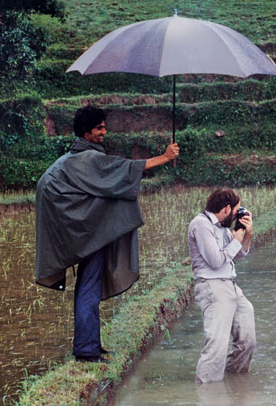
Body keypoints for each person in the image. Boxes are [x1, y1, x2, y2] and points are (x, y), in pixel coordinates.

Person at [35, 105, 179, 363]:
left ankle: (89, 344)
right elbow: (124, 170)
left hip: (83, 231)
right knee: (88, 288)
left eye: (104, 127)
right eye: (99, 128)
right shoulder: (88, 159)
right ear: (86, 132)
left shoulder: (77, 158)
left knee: (87, 287)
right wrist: (165, 157)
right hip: (83, 231)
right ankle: (86, 350)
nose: (104, 132)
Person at [187, 188, 256, 383]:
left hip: (231, 285)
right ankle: (208, 391)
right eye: (236, 211)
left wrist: (246, 234)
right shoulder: (201, 225)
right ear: (226, 209)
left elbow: (238, 255)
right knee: (216, 345)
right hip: (212, 287)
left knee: (247, 340)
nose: (237, 215)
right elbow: (216, 261)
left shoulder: (222, 228)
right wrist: (235, 240)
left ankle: (235, 385)